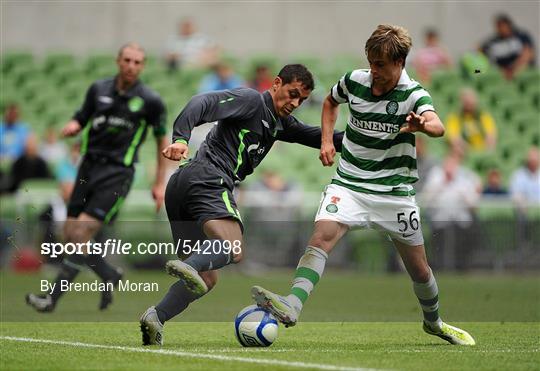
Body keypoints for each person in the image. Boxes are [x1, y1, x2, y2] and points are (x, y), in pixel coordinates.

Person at [251, 25, 476, 346]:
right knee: (321, 236)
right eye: (371, 62)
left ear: (400, 62)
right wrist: (327, 141)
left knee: (419, 269)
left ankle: (434, 322)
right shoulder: (355, 80)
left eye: (381, 65)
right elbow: (330, 102)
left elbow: (437, 125)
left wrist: (423, 126)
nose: (374, 70)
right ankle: (292, 304)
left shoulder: (415, 94)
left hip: (394, 191)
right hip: (350, 183)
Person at [139, 64, 344, 346]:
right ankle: (190, 266)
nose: (295, 103)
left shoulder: (281, 123)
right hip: (207, 178)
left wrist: (377, 137)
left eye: (302, 100)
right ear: (276, 84)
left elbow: (324, 138)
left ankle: (155, 316)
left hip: (182, 187)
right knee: (233, 248)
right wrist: (180, 138)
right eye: (292, 93)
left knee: (207, 278)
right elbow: (203, 102)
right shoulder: (251, 101)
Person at [25, 43, 168, 312]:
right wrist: (74, 125)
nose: (131, 66)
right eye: (127, 60)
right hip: (87, 169)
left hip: (117, 174)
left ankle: (51, 299)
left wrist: (159, 183)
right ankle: (109, 274)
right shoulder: (98, 89)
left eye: (137, 62)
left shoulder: (151, 100)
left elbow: (162, 139)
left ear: (143, 66)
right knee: (70, 234)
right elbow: (82, 116)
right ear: (118, 61)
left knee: (79, 232)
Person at [480, 14, 535, 80]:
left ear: (509, 25)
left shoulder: (521, 36)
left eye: (503, 25)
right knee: (478, 71)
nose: (501, 29)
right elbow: (478, 52)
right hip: (501, 73)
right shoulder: (493, 42)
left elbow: (529, 54)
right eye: (498, 26)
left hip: (521, 71)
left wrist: (514, 69)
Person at [446, 87, 497, 153]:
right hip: (464, 153)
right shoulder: (455, 118)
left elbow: (491, 136)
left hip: (482, 151)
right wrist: (469, 150)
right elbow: (453, 138)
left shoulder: (483, 116)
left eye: (472, 102)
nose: (470, 104)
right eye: (467, 102)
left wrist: (486, 150)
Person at [510, 147, 540, 248]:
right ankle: (523, 249)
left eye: (536, 160)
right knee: (521, 218)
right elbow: (516, 195)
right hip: (525, 213)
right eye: (531, 160)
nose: (533, 162)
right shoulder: (519, 175)